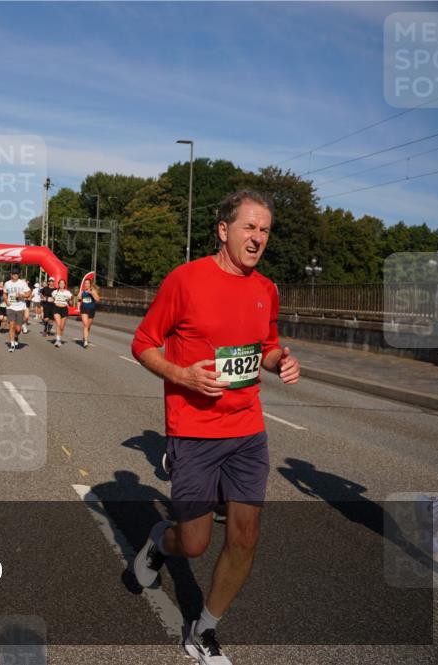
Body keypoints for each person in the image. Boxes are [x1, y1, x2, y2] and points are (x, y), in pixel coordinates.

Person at [131, 190, 300, 665]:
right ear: (224, 230)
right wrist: (182, 375)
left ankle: (203, 629)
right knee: (194, 542)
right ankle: (158, 542)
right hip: (194, 432)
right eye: (250, 227)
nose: (258, 238)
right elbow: (143, 343)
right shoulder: (185, 281)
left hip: (248, 430)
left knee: (245, 536)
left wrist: (280, 361)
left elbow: (266, 345)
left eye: (265, 229)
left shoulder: (266, 289)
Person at [3, 267, 31, 352]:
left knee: (18, 329)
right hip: (10, 307)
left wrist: (21, 296)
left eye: (16, 274)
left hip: (20, 307)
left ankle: (16, 335)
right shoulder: (7, 283)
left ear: (18, 275)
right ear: (11, 275)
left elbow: (29, 292)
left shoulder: (22, 283)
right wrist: (6, 301)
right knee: (11, 325)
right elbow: (4, 294)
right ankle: (12, 345)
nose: (15, 275)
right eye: (13, 274)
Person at [78, 278, 101, 349]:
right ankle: (86, 342)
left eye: (88, 283)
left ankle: (84, 337)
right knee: (85, 325)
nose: (86, 284)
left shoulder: (93, 291)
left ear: (90, 284)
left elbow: (98, 300)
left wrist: (92, 294)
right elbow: (79, 299)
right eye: (85, 283)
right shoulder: (82, 291)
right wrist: (79, 296)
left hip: (91, 310)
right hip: (84, 309)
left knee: (88, 326)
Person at [49, 279, 72, 348]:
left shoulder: (68, 293)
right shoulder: (54, 292)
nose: (61, 284)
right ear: (58, 284)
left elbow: (70, 303)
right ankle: (58, 340)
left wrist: (69, 300)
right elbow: (52, 299)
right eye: (60, 283)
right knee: (58, 324)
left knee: (62, 327)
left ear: (65, 285)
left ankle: (59, 337)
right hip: (56, 308)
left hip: (64, 309)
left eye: (63, 283)